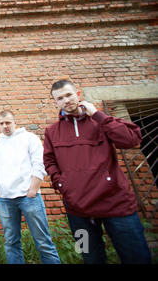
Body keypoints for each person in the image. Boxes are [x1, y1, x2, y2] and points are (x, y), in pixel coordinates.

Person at [43, 79, 151, 264]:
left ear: (78, 95)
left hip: (116, 205)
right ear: (55, 102)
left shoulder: (100, 121)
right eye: (60, 98)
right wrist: (63, 185)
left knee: (137, 258)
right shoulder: (52, 131)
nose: (66, 100)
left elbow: (132, 139)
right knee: (89, 258)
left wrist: (98, 115)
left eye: (69, 95)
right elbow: (49, 161)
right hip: (78, 211)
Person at [0, 110, 61, 264]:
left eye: (8, 122)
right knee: (11, 243)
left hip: (28, 197)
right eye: (1, 123)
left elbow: (39, 163)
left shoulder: (29, 138)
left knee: (43, 242)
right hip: (5, 199)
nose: (5, 126)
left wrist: (33, 189)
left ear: (15, 123)